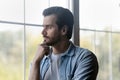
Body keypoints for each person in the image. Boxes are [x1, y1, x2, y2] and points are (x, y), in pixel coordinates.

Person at [28, 6, 99, 80]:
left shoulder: (84, 58)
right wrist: (36, 62)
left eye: (49, 27)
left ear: (64, 30)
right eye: (43, 27)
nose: (43, 32)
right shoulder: (39, 60)